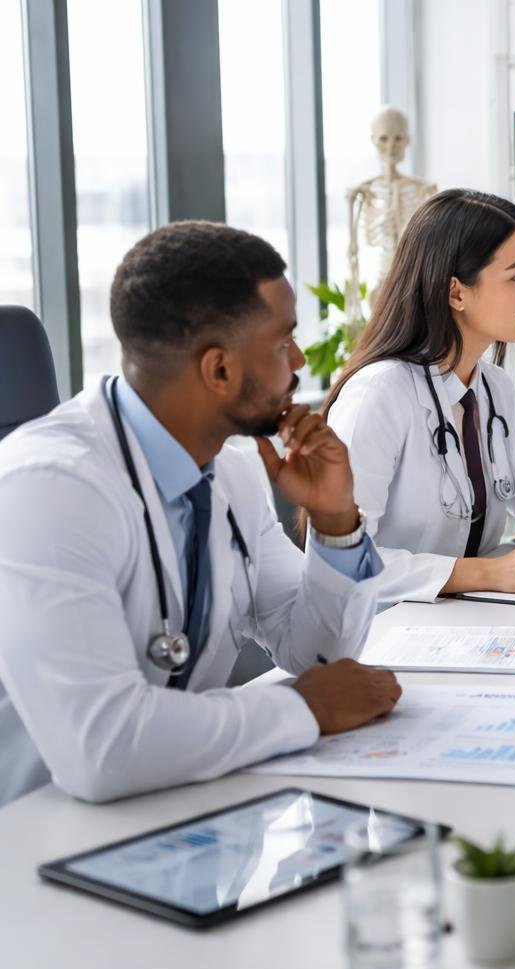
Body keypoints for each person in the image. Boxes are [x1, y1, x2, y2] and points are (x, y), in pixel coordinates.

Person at [0, 221, 401, 806]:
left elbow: (317, 655)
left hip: (184, 802)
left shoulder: (231, 474)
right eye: (283, 342)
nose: (297, 362)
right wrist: (304, 707)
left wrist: (336, 520)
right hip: (41, 832)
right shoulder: (51, 488)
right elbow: (103, 748)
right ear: (219, 370)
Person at [323, 189, 515, 604]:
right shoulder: (378, 393)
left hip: (469, 618)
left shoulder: (493, 386)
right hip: (385, 626)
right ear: (456, 293)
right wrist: (490, 573)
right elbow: (342, 562)